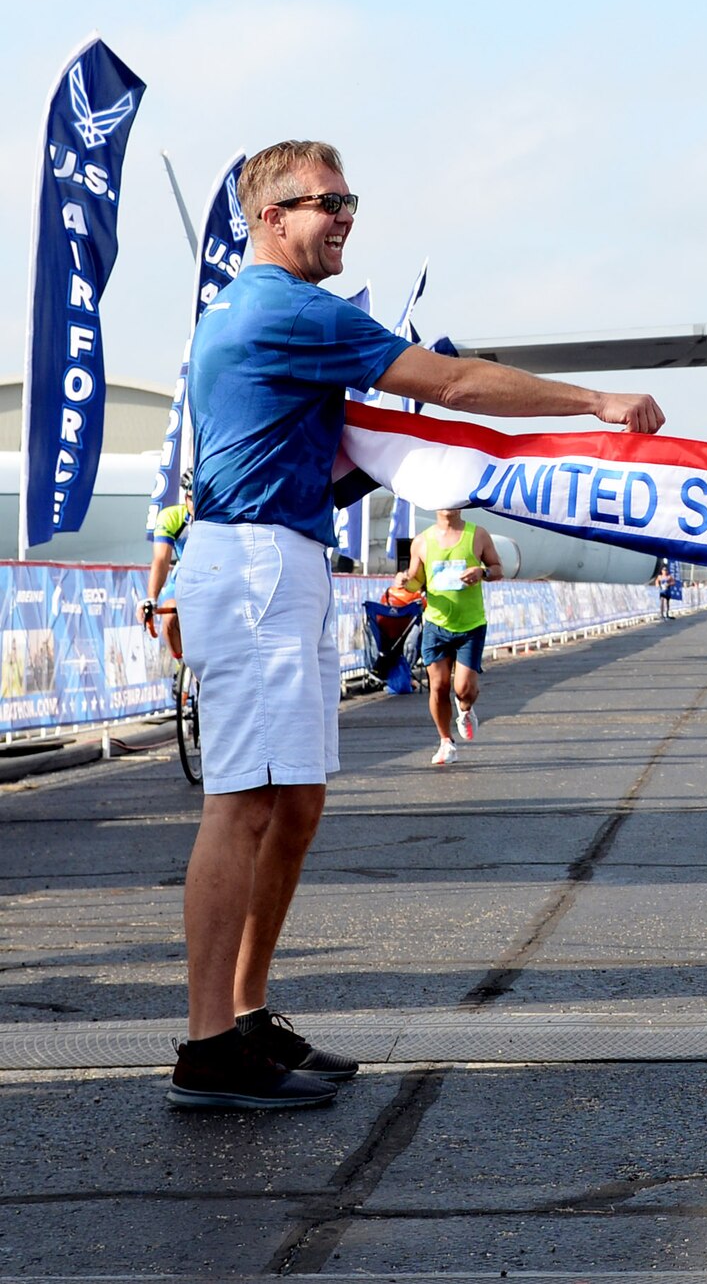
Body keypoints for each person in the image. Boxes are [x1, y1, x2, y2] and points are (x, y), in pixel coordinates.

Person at [171, 139, 663, 1111]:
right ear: (270, 216)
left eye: (351, 197)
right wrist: (593, 403)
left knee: (296, 802)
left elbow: (327, 456)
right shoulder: (285, 306)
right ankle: (205, 1046)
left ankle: (245, 1011)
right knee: (242, 803)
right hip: (256, 566)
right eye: (326, 201)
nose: (346, 215)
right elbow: (455, 386)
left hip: (289, 553)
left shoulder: (261, 312)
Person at [404, 505, 502, 765]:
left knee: (463, 689)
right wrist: (406, 581)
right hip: (436, 623)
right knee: (438, 686)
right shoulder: (422, 541)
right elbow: (416, 581)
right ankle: (446, 741)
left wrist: (482, 572)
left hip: (470, 624)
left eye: (453, 500)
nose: (448, 505)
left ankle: (466, 707)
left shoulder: (477, 535)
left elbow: (497, 569)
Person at [144, 472, 195, 658]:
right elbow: (161, 559)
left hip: (213, 581)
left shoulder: (218, 516)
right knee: (170, 617)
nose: (196, 505)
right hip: (182, 582)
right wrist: (151, 599)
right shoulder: (172, 517)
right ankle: (180, 667)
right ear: (185, 497)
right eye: (191, 498)